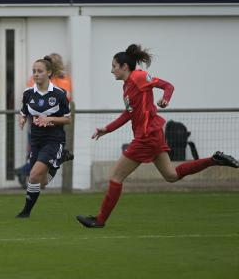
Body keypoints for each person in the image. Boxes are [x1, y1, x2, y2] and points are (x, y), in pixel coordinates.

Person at [76, 44, 239, 228]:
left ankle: (100, 220)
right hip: (152, 134)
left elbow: (168, 86)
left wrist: (165, 99)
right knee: (171, 175)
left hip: (146, 136)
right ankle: (214, 159)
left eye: (114, 66)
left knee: (115, 177)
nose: (111, 70)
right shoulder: (127, 87)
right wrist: (107, 129)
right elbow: (128, 114)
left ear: (124, 67)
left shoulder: (138, 77)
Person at [15, 56, 71, 218]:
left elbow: (68, 119)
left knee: (32, 175)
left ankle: (26, 212)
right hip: (36, 140)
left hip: (53, 139)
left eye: (39, 71)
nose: (36, 74)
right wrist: (22, 119)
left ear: (49, 73)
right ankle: (60, 159)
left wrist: (50, 119)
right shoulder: (28, 93)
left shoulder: (60, 94)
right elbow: (24, 111)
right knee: (42, 181)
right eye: (34, 71)